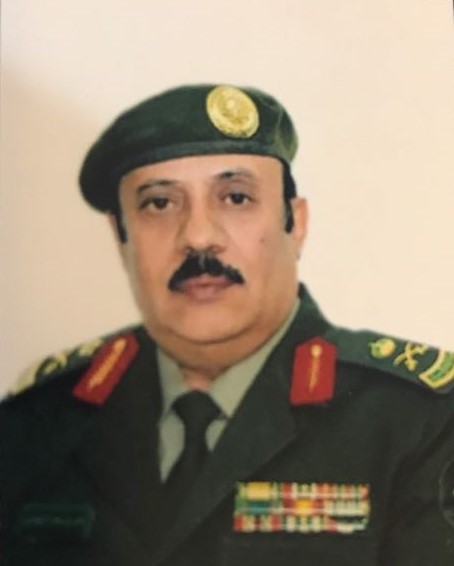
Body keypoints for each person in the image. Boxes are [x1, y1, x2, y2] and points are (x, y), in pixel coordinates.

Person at [1, 83, 453, 566]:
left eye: (236, 197)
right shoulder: (40, 422)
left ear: (295, 223)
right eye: (159, 203)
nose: (198, 237)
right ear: (120, 236)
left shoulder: (417, 421)